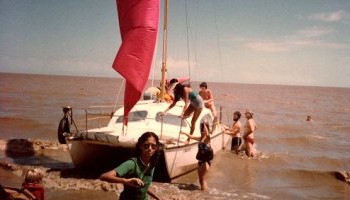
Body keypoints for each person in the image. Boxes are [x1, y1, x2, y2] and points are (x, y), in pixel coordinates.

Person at [100, 132, 161, 200]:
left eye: (153, 146)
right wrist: (126, 181)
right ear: (140, 146)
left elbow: (144, 187)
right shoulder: (132, 164)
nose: (150, 148)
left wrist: (157, 197)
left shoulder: (151, 165)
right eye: (146, 145)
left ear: (156, 148)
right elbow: (104, 176)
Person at [181, 121, 212, 190]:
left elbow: (207, 134)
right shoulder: (201, 138)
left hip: (205, 162)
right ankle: (202, 193)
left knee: (203, 180)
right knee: (200, 180)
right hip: (200, 162)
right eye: (201, 128)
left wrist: (204, 124)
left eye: (203, 128)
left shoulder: (208, 139)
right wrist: (184, 133)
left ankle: (204, 195)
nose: (202, 130)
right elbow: (191, 136)